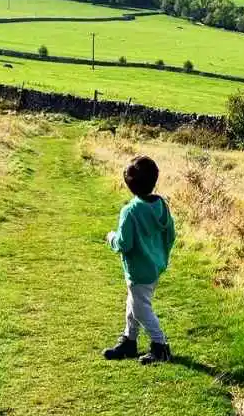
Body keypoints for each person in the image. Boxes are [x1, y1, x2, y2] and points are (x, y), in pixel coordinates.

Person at [103, 156, 176, 364]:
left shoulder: (130, 211)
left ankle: (160, 346)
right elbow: (170, 234)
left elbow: (124, 244)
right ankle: (129, 341)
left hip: (138, 269)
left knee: (140, 308)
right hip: (154, 267)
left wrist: (111, 238)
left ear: (130, 186)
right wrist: (160, 255)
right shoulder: (162, 205)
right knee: (133, 303)